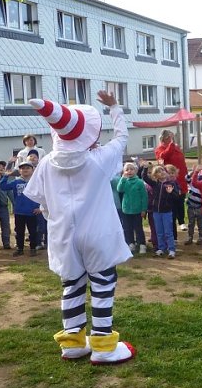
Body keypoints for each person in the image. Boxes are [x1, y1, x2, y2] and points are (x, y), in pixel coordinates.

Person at [24, 90, 135, 364]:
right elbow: (121, 139)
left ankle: (73, 342)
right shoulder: (98, 159)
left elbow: (42, 201)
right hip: (97, 233)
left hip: (63, 235)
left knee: (71, 285)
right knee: (103, 284)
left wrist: (55, 218)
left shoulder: (47, 163)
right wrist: (114, 108)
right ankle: (103, 345)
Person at [0, 160, 41, 256]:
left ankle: (33, 248)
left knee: (33, 231)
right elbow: (3, 186)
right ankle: (20, 248)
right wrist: (6, 176)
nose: (25, 170)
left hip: (33, 211)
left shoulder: (36, 182)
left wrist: (40, 207)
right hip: (19, 212)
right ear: (19, 171)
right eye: (22, 168)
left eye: (27, 168)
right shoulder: (16, 182)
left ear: (33, 170)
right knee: (19, 231)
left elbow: (42, 195)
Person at [141, 163, 181, 258]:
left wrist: (171, 193)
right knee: (159, 231)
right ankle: (161, 248)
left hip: (167, 212)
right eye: (158, 172)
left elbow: (176, 197)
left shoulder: (170, 184)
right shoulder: (155, 184)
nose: (161, 172)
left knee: (168, 232)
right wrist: (145, 168)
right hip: (156, 212)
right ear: (155, 176)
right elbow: (144, 177)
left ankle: (171, 249)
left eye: (162, 170)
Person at [154, 129, 189, 232]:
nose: (171, 139)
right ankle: (172, 225)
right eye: (169, 137)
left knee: (181, 200)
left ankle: (181, 222)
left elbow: (181, 160)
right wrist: (171, 145)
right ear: (164, 138)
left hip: (181, 177)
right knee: (173, 201)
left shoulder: (176, 147)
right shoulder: (160, 149)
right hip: (170, 179)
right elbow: (163, 157)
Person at [116, 162, 149, 255]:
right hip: (126, 209)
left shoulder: (139, 182)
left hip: (137, 210)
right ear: (124, 171)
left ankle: (142, 244)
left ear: (135, 171)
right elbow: (119, 189)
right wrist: (123, 178)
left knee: (138, 228)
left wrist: (144, 209)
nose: (129, 171)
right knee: (127, 228)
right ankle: (131, 243)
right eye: (127, 169)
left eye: (131, 169)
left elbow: (144, 196)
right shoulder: (124, 181)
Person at [184, 168, 202, 246]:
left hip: (200, 208)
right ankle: (190, 237)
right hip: (191, 208)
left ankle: (201, 238)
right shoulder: (191, 185)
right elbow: (187, 177)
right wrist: (192, 172)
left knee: (201, 224)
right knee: (191, 223)